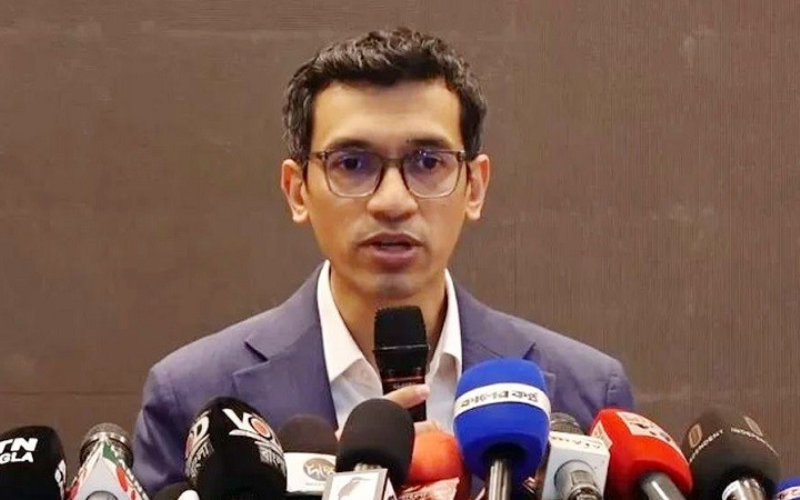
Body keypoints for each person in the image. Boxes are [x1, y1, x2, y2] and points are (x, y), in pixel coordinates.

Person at [132, 27, 635, 495]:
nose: (392, 201)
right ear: (297, 191)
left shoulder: (584, 394)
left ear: (475, 187)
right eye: (352, 164)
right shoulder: (193, 397)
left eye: (428, 162)